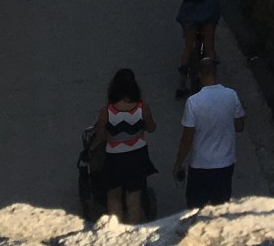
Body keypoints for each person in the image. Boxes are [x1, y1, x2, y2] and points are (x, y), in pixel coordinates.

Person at [173, 57, 244, 207]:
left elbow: (187, 138)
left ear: (199, 74)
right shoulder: (231, 95)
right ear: (216, 73)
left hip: (200, 165)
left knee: (196, 208)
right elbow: (239, 126)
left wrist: (178, 163)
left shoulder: (193, 102)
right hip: (225, 163)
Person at [90, 67, 157, 221]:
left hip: (115, 158)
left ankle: (117, 230)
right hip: (137, 156)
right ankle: (134, 231)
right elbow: (151, 128)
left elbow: (101, 135)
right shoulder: (142, 108)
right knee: (134, 198)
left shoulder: (107, 111)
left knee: (114, 196)